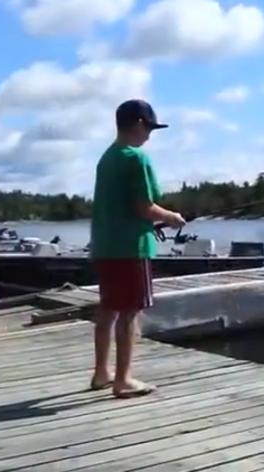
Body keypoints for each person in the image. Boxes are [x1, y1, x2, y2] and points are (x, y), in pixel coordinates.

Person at [89, 98, 186, 399]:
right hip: (131, 248)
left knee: (107, 310)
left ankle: (101, 373)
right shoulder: (136, 158)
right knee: (130, 313)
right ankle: (123, 380)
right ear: (139, 124)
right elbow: (144, 207)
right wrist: (171, 217)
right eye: (150, 128)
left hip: (105, 245)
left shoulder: (107, 157)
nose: (150, 135)